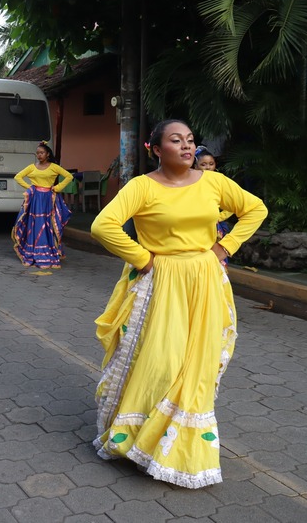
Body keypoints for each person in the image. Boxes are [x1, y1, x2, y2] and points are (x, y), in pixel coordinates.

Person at [90, 119, 267, 488]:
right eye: (176, 141)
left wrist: (224, 247)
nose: (187, 147)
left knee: (196, 364)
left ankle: (177, 449)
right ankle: (138, 438)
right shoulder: (141, 187)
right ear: (154, 149)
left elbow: (255, 209)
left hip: (205, 279)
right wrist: (143, 259)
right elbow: (103, 226)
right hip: (162, 282)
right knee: (161, 360)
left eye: (190, 141)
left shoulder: (214, 182)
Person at [12, 141, 74, 268]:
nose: (39, 155)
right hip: (35, 199)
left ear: (47, 154)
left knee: (48, 224)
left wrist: (57, 188)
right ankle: (32, 252)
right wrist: (30, 188)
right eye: (37, 153)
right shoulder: (32, 167)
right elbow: (18, 177)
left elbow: (68, 176)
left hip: (49, 199)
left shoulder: (54, 167)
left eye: (41, 153)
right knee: (34, 224)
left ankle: (49, 250)